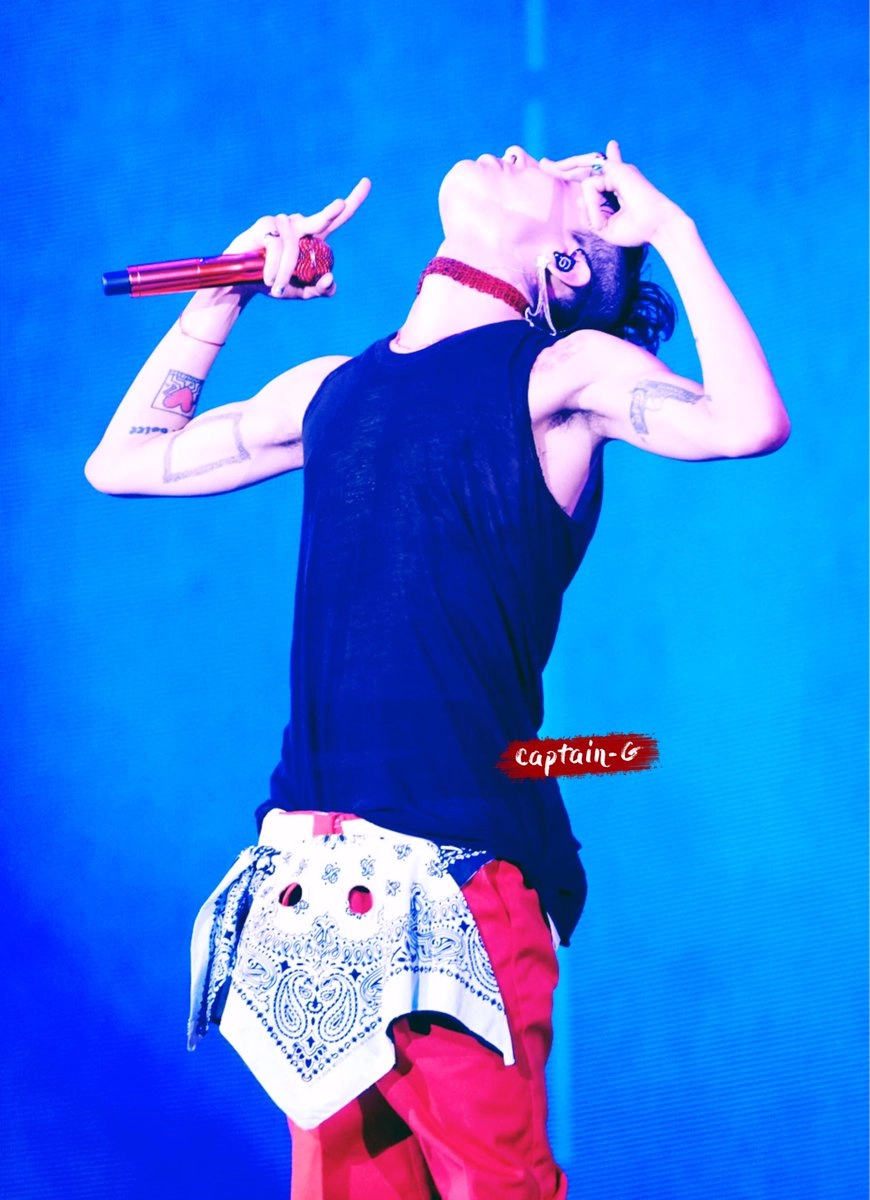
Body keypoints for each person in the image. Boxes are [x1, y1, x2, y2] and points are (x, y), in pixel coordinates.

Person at [85, 141, 789, 1200]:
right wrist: (226, 292)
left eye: (560, 179)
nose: (523, 151)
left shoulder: (559, 378)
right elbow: (124, 460)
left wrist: (669, 232)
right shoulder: (334, 389)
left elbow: (748, 420)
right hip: (312, 893)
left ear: (563, 264)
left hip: (460, 885)